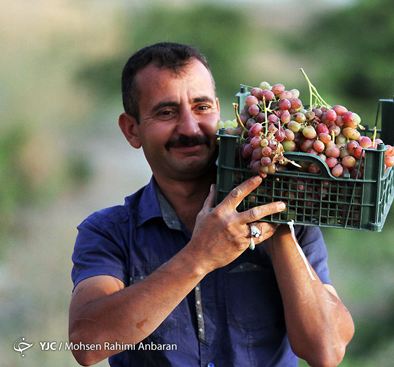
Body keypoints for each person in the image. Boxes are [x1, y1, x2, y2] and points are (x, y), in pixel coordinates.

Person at [69, 42, 354, 367]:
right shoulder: (110, 232)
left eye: (201, 107)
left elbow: (327, 351)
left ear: (218, 111)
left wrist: (277, 230)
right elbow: (86, 344)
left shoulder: (288, 220)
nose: (190, 128)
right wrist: (199, 257)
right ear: (131, 130)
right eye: (166, 112)